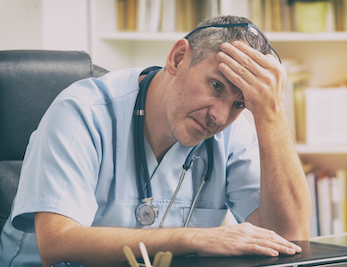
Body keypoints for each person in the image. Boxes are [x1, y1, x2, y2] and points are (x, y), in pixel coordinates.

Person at [0, 15, 311, 267]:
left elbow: (290, 238)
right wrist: (196, 239)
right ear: (177, 58)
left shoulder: (232, 130)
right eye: (216, 85)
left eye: (240, 104)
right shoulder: (82, 112)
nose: (220, 116)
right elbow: (57, 243)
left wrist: (271, 114)